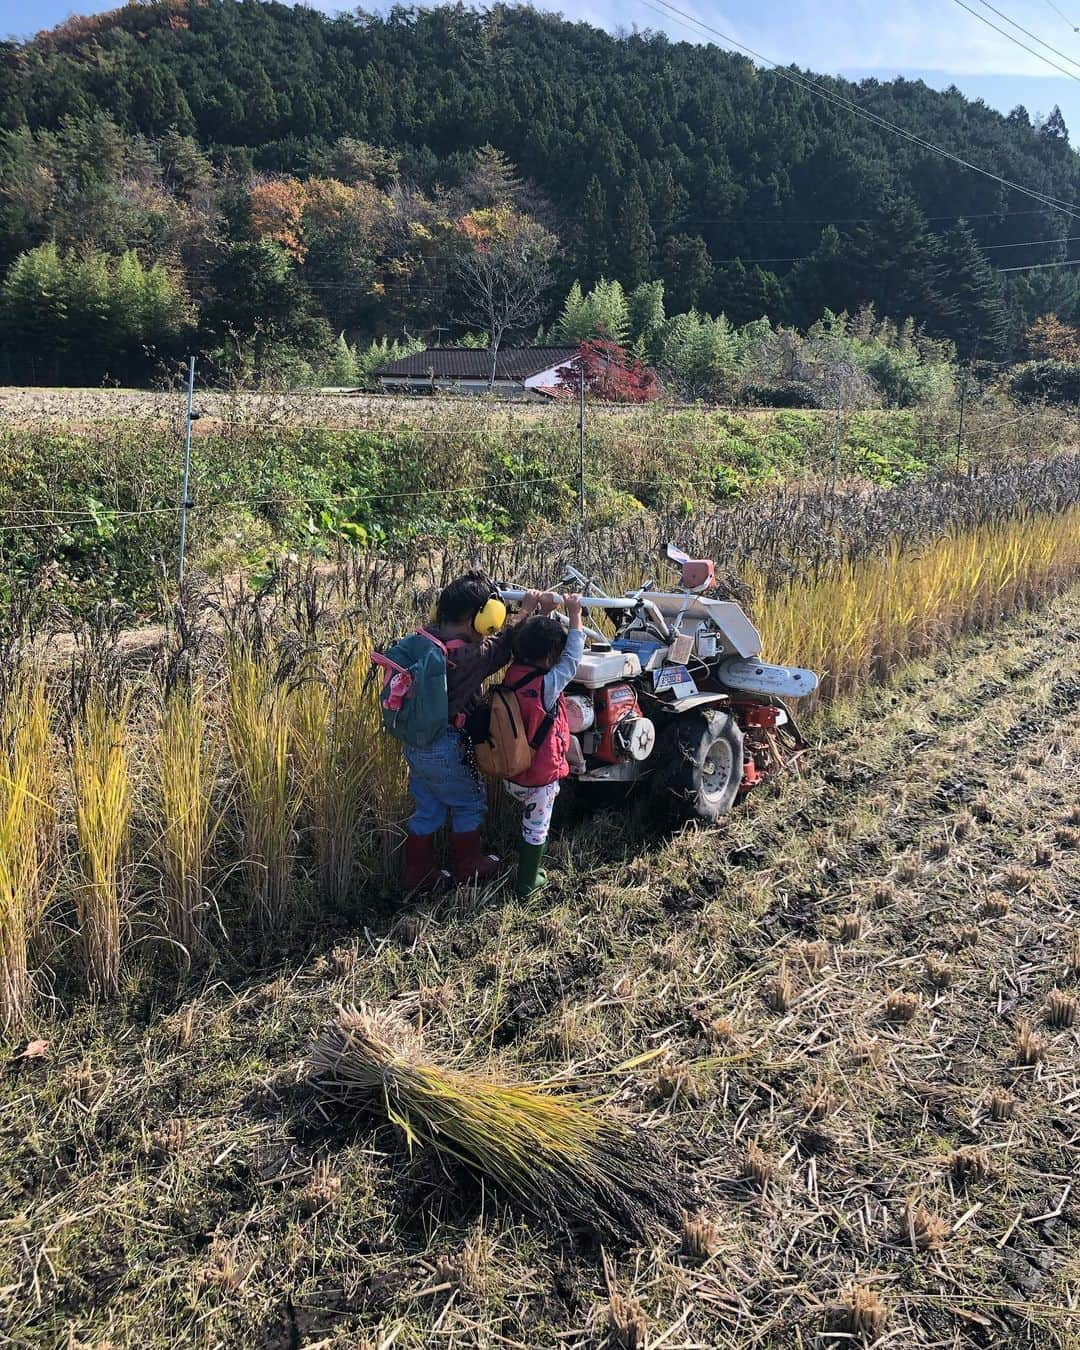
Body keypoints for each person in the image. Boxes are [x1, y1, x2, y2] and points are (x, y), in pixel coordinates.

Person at [402, 573, 555, 892]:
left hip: (415, 744)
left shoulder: (425, 639)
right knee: (469, 803)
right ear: (480, 619)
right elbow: (503, 648)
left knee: (428, 807)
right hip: (445, 746)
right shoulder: (466, 656)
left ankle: (417, 872)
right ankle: (469, 865)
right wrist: (527, 613)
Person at [503, 593, 585, 897]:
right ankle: (527, 881)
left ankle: (526, 869)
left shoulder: (513, 673)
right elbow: (572, 660)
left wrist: (542, 612)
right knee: (537, 828)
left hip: (512, 771)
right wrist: (576, 615)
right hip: (539, 776)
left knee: (530, 822)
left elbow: (524, 640)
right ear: (551, 655)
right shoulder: (546, 686)